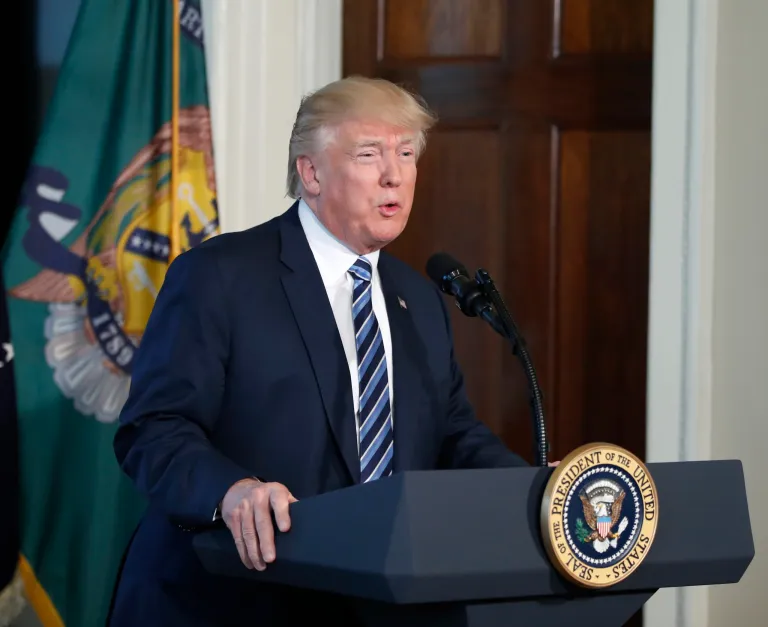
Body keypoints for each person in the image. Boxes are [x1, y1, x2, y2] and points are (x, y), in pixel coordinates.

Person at [108, 76, 534, 627]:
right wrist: (231, 492)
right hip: (229, 602)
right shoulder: (221, 276)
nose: (394, 174)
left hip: (370, 606)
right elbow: (154, 428)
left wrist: (537, 497)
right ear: (311, 173)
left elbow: (453, 437)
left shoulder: (418, 299)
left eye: (406, 154)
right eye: (369, 154)